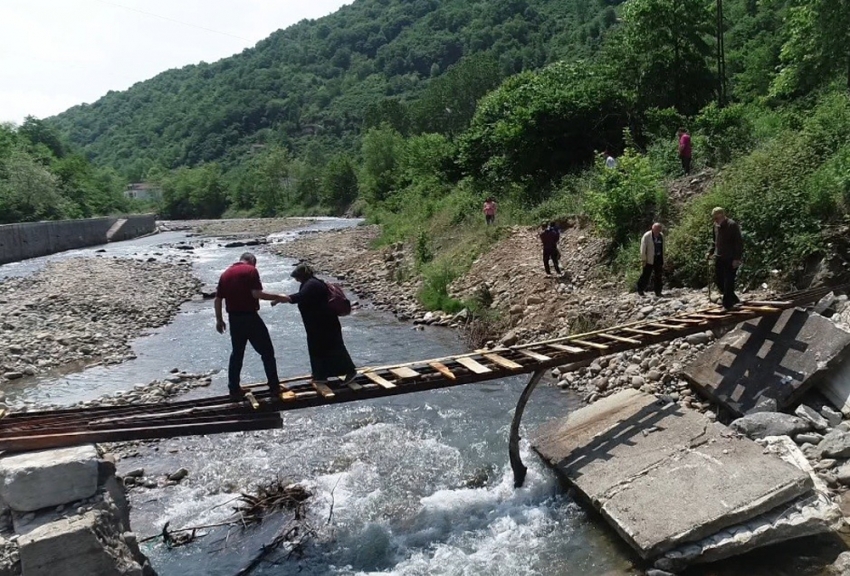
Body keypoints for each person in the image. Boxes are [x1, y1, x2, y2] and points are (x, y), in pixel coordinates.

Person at [214, 252, 283, 401]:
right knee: (267, 352)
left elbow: (218, 299)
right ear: (252, 261)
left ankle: (233, 388)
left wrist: (219, 320)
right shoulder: (251, 270)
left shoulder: (225, 274)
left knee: (237, 354)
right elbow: (257, 294)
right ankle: (274, 386)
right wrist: (278, 296)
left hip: (234, 319)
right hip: (250, 317)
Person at [275, 264, 357, 384]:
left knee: (335, 348)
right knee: (317, 350)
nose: (296, 280)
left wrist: (283, 298)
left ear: (302, 275)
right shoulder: (310, 283)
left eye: (297, 277)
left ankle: (350, 372)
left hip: (325, 324)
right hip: (317, 325)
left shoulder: (312, 284)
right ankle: (320, 376)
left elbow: (300, 297)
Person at [706, 207, 743, 310]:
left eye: (716, 218)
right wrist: (710, 251)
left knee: (728, 281)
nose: (715, 220)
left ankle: (727, 305)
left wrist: (737, 259)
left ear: (722, 216)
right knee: (720, 282)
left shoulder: (732, 225)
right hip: (719, 257)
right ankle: (735, 300)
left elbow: (738, 243)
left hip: (731, 258)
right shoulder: (715, 226)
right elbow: (714, 241)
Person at [637, 223, 664, 297]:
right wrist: (643, 259)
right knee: (646, 275)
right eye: (656, 229)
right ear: (652, 229)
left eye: (659, 229)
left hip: (658, 258)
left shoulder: (661, 236)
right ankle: (640, 290)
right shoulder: (647, 236)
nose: (658, 231)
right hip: (649, 259)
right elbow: (643, 248)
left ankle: (658, 292)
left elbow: (663, 247)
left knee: (658, 276)